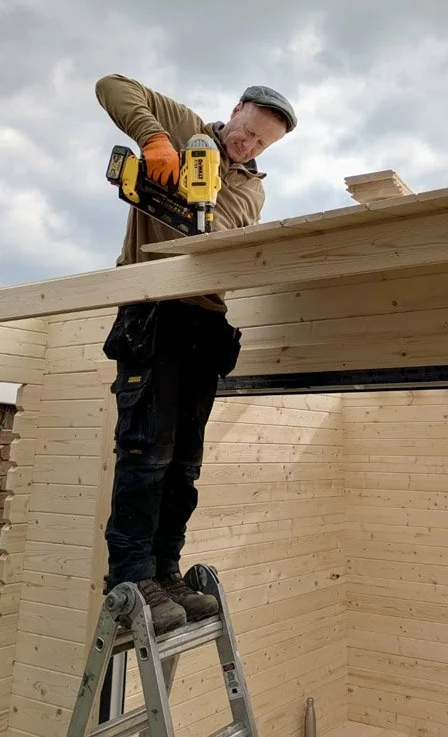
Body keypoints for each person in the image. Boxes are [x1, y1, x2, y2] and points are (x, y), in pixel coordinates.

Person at [95, 74, 296, 635]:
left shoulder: (254, 189)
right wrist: (155, 141)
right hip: (151, 308)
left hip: (205, 322)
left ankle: (167, 569)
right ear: (235, 110)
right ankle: (131, 578)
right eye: (248, 132)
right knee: (146, 453)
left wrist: (214, 231)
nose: (248, 147)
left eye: (262, 144)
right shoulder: (187, 132)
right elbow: (111, 85)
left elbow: (229, 241)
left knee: (184, 463)